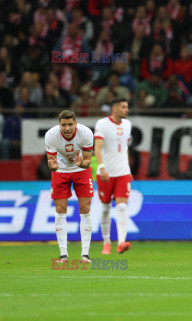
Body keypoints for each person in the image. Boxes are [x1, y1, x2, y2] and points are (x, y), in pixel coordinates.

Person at [45, 110, 94, 263]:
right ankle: (63, 255)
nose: (67, 128)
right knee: (60, 210)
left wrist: (81, 163)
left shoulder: (86, 133)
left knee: (85, 209)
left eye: (70, 124)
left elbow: (87, 161)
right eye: (63, 125)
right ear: (59, 125)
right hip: (60, 171)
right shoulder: (51, 135)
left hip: (81, 171)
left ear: (76, 124)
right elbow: (52, 163)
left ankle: (85, 254)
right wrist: (52, 167)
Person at [93, 98, 132, 255]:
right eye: (123, 107)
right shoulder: (102, 124)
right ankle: (106, 242)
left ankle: (121, 242)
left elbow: (124, 148)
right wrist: (102, 168)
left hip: (122, 173)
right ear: (114, 108)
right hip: (106, 174)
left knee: (122, 207)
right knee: (105, 208)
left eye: (127, 107)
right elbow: (97, 148)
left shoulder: (128, 125)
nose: (126, 110)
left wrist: (129, 169)